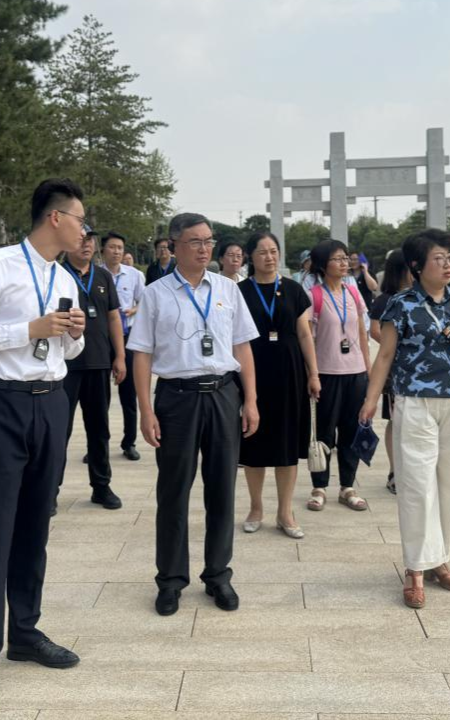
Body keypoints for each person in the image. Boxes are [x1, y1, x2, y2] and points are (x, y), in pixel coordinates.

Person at [0, 179, 89, 716]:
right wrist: (28, 327)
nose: (84, 230)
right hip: (0, 405)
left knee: (35, 525)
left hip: (51, 404)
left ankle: (25, 633)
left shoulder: (65, 277)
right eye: (80, 220)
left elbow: (68, 351)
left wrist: (71, 332)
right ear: (55, 218)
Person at [129, 212, 259, 617]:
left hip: (223, 394)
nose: (205, 249)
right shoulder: (155, 293)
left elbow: (242, 346)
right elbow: (142, 354)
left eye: (209, 241)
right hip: (177, 398)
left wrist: (251, 400)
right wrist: (145, 410)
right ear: (174, 246)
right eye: (195, 242)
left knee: (221, 489)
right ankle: (170, 580)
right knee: (173, 492)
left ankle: (218, 575)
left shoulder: (227, 289)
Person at [359, 229, 450, 609]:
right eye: (439, 258)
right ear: (417, 266)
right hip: (416, 401)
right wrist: (370, 400)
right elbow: (385, 356)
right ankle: (415, 568)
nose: (448, 265)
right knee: (417, 485)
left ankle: (440, 559)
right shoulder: (400, 305)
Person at [238, 231, 321, 539]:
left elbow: (304, 334)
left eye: (273, 251)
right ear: (251, 256)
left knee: (286, 444)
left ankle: (285, 511)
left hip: (289, 372)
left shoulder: (294, 289)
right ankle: (255, 507)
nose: (269, 257)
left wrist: (313, 373)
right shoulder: (239, 291)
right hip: (252, 372)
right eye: (262, 252)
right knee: (254, 442)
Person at [59, 229, 126, 511]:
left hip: (99, 362)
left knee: (99, 429)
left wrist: (120, 355)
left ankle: (101, 486)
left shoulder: (103, 277)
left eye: (90, 241)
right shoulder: (57, 274)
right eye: (81, 240)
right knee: (59, 431)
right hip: (64, 366)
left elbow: (113, 317)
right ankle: (49, 490)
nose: (86, 245)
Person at [305, 239, 371, 513]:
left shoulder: (353, 293)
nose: (344, 263)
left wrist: (368, 371)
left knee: (351, 431)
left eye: (345, 258)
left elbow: (362, 334)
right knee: (323, 432)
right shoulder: (314, 296)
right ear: (323, 265)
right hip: (327, 373)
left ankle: (347, 487)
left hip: (355, 373)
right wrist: (312, 374)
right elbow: (308, 338)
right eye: (337, 259)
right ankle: (319, 486)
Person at [368, 249, 412, 495]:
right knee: (396, 419)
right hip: (396, 368)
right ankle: (395, 471)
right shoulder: (385, 299)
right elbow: (375, 330)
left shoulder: (421, 295)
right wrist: (394, 344)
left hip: (418, 370)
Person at [102, 231, 145, 460]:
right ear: (103, 250)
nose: (116, 252)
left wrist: (133, 310)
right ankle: (98, 444)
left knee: (129, 393)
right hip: (101, 340)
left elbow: (144, 301)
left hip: (127, 338)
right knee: (100, 397)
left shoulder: (134, 275)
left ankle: (129, 442)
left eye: (120, 247)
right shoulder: (96, 274)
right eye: (112, 247)